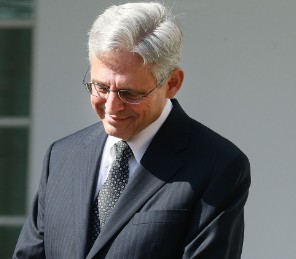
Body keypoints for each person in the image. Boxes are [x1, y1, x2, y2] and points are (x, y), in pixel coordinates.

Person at [13, 2, 250, 258]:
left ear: (172, 83)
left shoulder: (218, 166)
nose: (112, 106)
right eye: (101, 87)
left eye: (130, 93)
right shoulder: (62, 157)